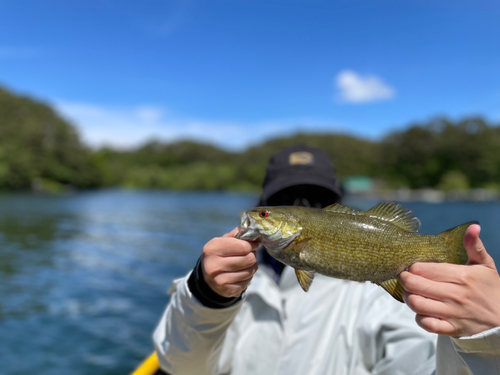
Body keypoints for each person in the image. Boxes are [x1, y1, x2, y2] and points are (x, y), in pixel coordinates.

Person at [153, 145, 500, 375]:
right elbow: (180, 366)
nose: (303, 204)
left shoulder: (372, 299)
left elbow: (422, 365)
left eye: (316, 199)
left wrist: (485, 339)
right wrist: (206, 295)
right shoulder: (223, 284)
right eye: (285, 200)